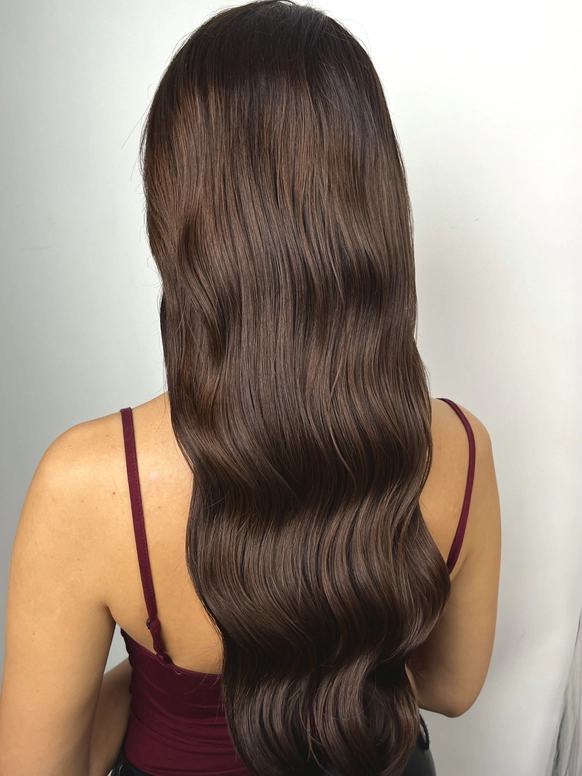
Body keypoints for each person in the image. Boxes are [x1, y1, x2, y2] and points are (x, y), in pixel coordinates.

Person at [0, 1, 501, 775]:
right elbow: (452, 687)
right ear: (375, 201)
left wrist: (160, 684)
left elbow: (38, 767)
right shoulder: (460, 448)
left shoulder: (91, 484)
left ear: (179, 212)